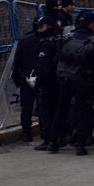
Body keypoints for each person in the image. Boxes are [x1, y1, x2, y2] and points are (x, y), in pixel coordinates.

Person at [48, 12, 94, 155]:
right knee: (83, 112)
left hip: (64, 79)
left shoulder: (67, 39)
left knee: (61, 110)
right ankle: (80, 145)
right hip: (83, 82)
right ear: (92, 24)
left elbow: (57, 59)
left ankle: (53, 142)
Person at [12, 16, 49, 142]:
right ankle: (44, 132)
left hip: (27, 75)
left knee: (27, 106)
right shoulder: (47, 40)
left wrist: (18, 79)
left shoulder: (25, 40)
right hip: (42, 76)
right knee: (42, 105)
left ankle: (26, 133)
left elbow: (17, 62)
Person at [33, 16, 64, 151]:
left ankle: (49, 139)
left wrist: (37, 82)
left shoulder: (46, 43)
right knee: (58, 111)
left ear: (48, 27)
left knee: (46, 112)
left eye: (41, 27)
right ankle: (59, 137)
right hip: (61, 81)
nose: (39, 30)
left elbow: (44, 68)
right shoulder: (60, 40)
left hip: (49, 83)